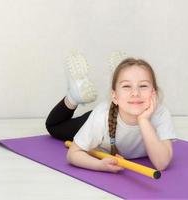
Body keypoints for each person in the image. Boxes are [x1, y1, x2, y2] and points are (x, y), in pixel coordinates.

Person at [45, 52, 176, 173]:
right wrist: (99, 165)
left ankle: (120, 80)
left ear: (154, 93)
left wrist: (143, 120)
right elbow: (73, 154)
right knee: (54, 126)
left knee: (128, 95)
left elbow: (161, 163)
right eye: (127, 86)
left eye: (143, 86)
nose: (135, 93)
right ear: (114, 97)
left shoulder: (161, 114)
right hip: (102, 119)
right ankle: (73, 97)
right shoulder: (101, 116)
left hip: (120, 109)